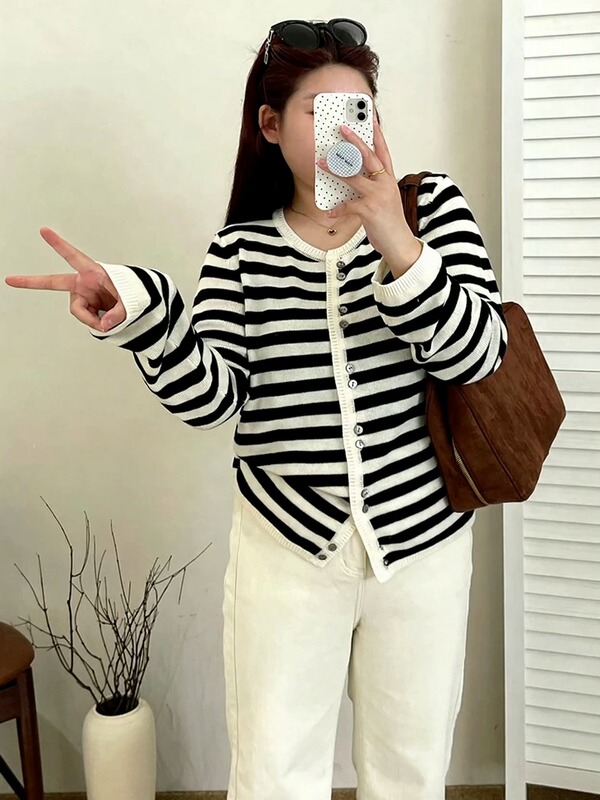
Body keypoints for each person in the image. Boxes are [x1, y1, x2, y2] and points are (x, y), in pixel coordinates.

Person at [5, 18, 508, 800]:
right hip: (286, 551)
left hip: (423, 549)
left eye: (362, 111)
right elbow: (213, 400)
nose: (350, 132)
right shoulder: (241, 250)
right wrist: (144, 314)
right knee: (275, 774)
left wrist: (394, 239)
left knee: (410, 773)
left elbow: (477, 355)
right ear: (270, 125)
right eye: (323, 112)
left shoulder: (431, 209)